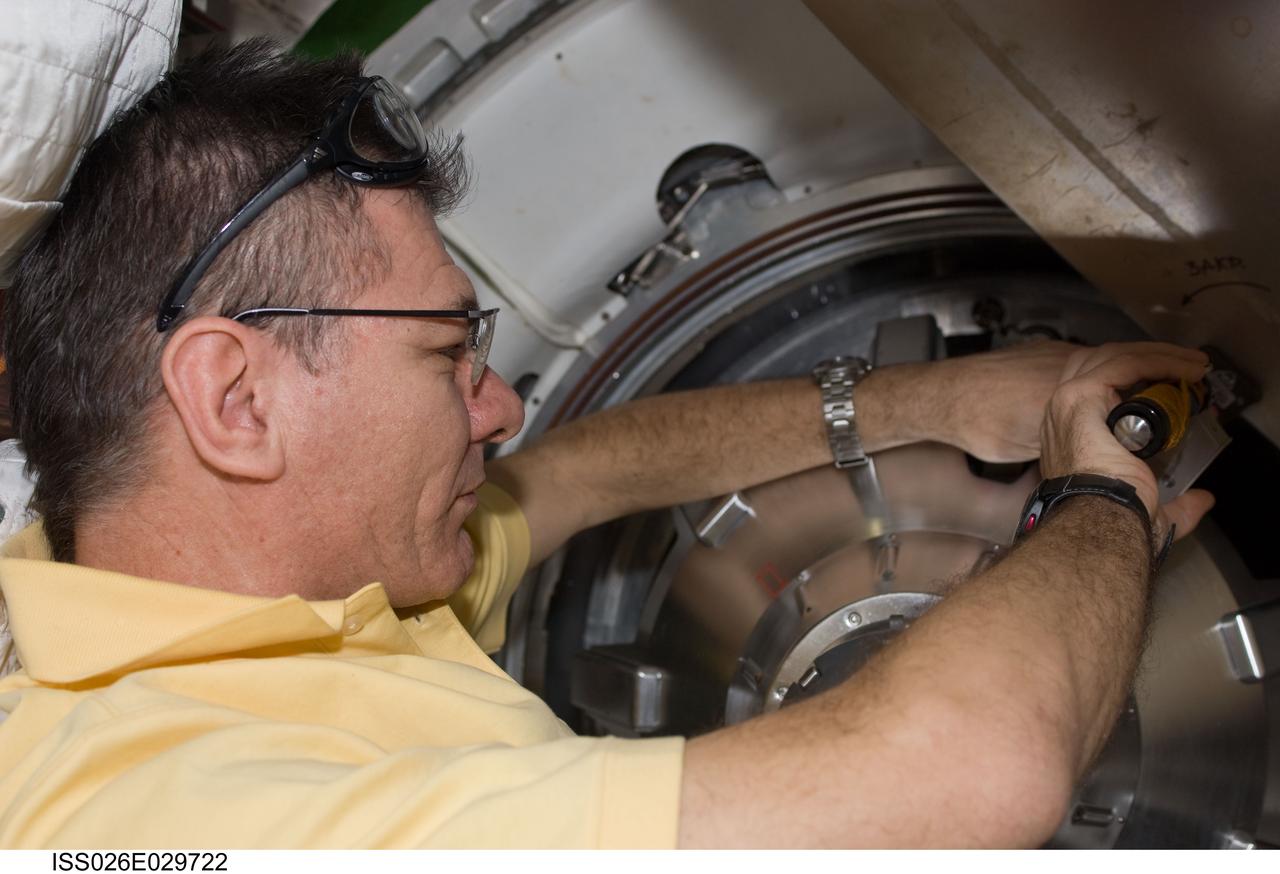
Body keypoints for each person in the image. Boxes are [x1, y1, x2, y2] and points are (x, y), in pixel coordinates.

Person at [0, 42, 1213, 848]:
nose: (500, 407)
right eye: (443, 354)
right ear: (237, 400)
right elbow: (963, 771)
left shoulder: (288, 581)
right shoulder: (161, 814)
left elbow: (588, 470)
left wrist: (934, 406)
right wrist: (1094, 499)